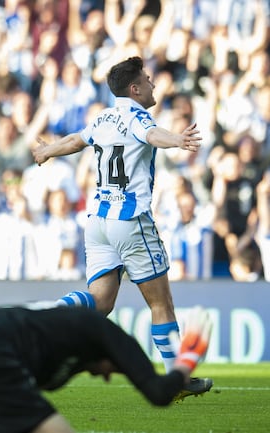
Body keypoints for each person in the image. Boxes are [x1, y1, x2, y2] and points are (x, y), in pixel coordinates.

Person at [31, 56, 212, 397]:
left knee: (100, 303)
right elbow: (152, 134)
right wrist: (178, 140)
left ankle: (54, 314)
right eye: (147, 79)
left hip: (98, 221)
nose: (153, 84)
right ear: (135, 88)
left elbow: (74, 141)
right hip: (130, 221)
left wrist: (47, 152)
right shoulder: (138, 117)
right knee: (161, 304)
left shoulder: (102, 117)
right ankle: (178, 380)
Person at [0, 304, 212, 433]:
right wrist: (186, 360)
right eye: (117, 368)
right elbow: (158, 392)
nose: (109, 377)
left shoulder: (70, 338)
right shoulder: (102, 331)